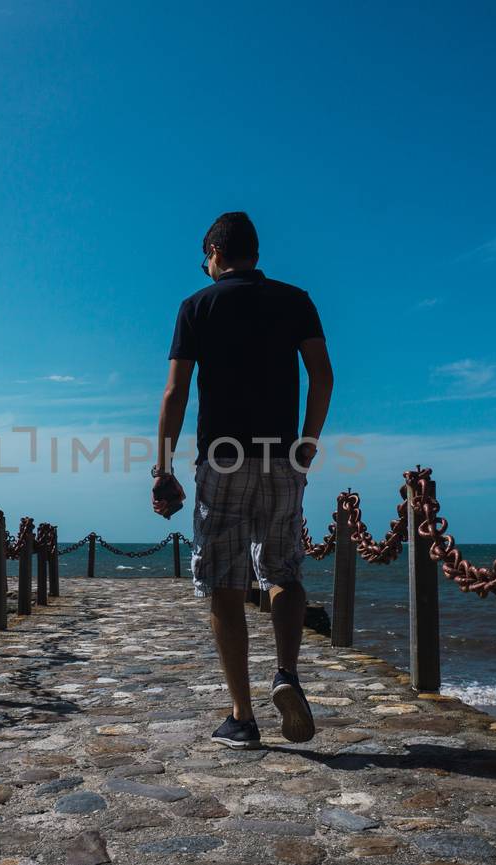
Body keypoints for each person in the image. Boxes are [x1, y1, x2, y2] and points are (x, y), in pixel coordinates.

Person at [152, 211, 334, 749]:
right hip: (282, 456)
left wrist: (163, 469)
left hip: (222, 458)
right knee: (283, 571)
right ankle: (286, 674)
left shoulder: (196, 306)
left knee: (224, 584)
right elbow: (322, 376)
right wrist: (309, 440)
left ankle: (242, 716)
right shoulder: (296, 299)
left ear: (214, 253)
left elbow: (175, 394)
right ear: (254, 253)